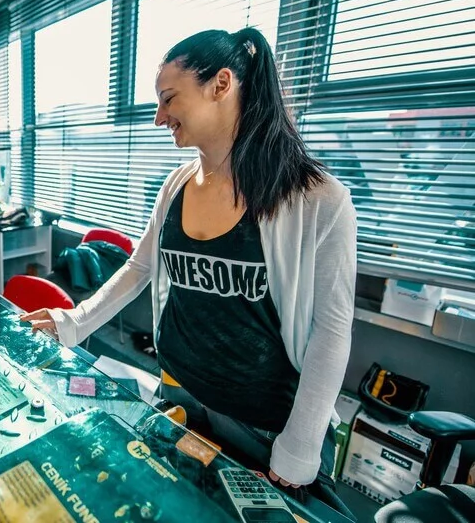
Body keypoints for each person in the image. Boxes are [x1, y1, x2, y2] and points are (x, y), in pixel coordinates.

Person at [23, 28, 357, 496]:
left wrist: (300, 446)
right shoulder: (176, 184)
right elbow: (139, 269)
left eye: (168, 99)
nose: (160, 117)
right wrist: (72, 323)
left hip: (262, 426)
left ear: (221, 85)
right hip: (179, 394)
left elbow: (331, 332)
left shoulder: (317, 199)